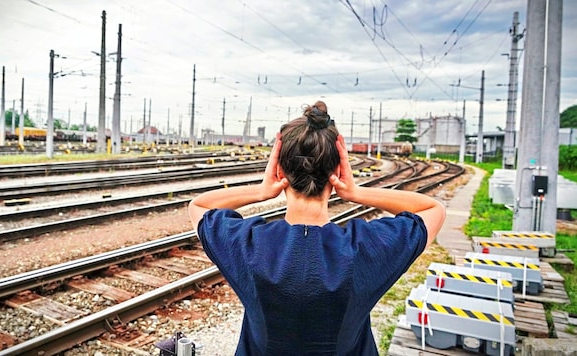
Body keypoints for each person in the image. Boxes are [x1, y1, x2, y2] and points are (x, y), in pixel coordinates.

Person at [188, 101, 446, 355]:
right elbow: (433, 210)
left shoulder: (248, 245)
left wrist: (261, 191)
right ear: (337, 171)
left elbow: (198, 206)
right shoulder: (367, 247)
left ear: (280, 170)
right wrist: (355, 192)